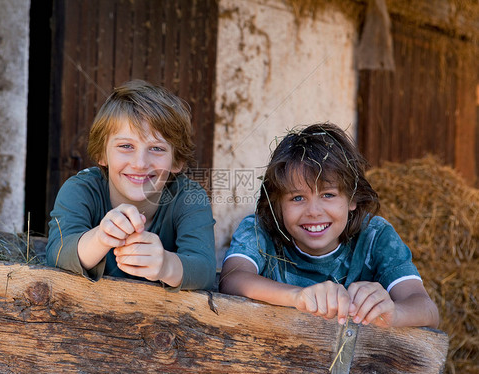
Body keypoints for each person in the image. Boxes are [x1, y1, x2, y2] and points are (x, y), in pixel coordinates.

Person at [219, 123, 439, 328]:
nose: (314, 211)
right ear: (278, 204)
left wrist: (394, 312)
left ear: (352, 198)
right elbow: (232, 278)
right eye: (297, 198)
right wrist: (299, 296)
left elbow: (427, 310)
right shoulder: (260, 231)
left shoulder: (375, 236)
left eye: (328, 194)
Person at [46, 80, 216, 290]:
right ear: (101, 153)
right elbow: (56, 253)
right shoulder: (81, 190)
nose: (140, 163)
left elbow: (206, 271)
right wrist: (100, 238)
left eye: (157, 148)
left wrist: (165, 265)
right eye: (126, 146)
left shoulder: (189, 197)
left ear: (177, 160)